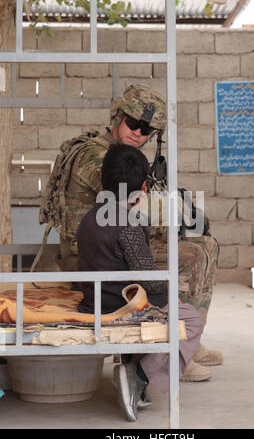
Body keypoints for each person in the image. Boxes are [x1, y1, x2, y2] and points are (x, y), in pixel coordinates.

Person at [40, 83, 222, 377]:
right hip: (94, 256)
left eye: (146, 129)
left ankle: (186, 337)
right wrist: (180, 211)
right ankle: (173, 345)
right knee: (195, 254)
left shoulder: (119, 152)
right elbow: (137, 205)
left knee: (203, 244)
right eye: (133, 123)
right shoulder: (99, 156)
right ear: (117, 117)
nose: (138, 132)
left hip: (113, 242)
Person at [77, 144, 207, 422]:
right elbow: (149, 280)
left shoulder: (89, 218)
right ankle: (138, 377)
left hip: (93, 302)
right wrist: (173, 294)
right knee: (191, 319)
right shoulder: (129, 224)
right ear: (143, 188)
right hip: (120, 308)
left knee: (168, 304)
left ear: (102, 177)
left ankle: (133, 366)